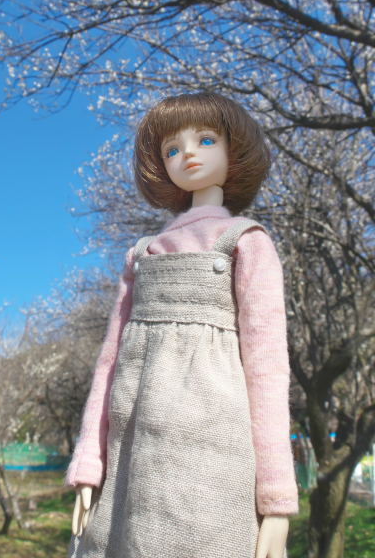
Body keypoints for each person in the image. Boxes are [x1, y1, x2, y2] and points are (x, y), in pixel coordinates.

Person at [64, 92, 299, 558]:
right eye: (172, 148)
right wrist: (89, 463)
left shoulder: (246, 242)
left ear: (234, 150)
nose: (188, 154)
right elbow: (108, 365)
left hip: (213, 447)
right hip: (130, 451)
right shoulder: (141, 254)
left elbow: (268, 370)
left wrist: (276, 499)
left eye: (206, 140)